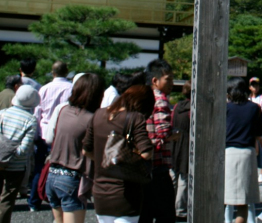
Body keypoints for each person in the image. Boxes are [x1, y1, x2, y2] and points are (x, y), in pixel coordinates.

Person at [83, 85, 155, 223]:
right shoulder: (135, 117)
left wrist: (105, 160)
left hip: (100, 192)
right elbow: (146, 153)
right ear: (142, 104)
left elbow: (86, 150)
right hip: (126, 193)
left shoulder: (98, 114)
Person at [46, 73, 105, 223]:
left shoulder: (63, 111)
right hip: (71, 178)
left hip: (52, 174)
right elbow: (92, 150)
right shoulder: (91, 119)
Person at [0, 85, 40, 223]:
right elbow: (23, 150)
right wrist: (5, 161)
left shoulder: (1, 113)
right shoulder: (30, 120)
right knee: (6, 202)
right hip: (16, 167)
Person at [30, 61, 73, 211]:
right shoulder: (71, 88)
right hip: (64, 132)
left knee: (40, 167)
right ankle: (61, 201)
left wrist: (35, 134)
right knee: (63, 168)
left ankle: (34, 201)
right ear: (67, 72)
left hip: (44, 131)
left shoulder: (44, 89)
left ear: (52, 72)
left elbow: (37, 113)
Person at [141, 59, 177, 223]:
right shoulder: (161, 100)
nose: (171, 83)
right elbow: (164, 133)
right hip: (159, 165)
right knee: (166, 215)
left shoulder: (143, 97)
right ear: (155, 80)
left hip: (145, 165)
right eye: (168, 79)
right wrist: (180, 135)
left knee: (146, 214)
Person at [224, 77, 262, 223]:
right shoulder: (254, 108)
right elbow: (258, 134)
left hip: (227, 154)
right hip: (247, 153)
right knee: (243, 202)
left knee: (223, 198)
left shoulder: (225, 108)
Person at [172, 81, 191, 219]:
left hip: (175, 140)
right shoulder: (193, 108)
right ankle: (180, 209)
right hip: (187, 142)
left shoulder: (177, 106)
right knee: (184, 177)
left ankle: (168, 205)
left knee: (173, 174)